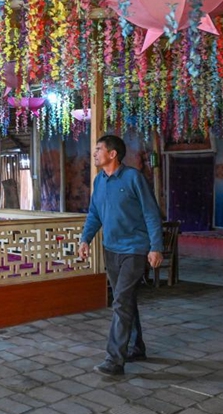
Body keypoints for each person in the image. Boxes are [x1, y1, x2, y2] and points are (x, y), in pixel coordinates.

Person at [78, 134, 163, 376]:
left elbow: (151, 213)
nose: (94, 153)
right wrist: (86, 239)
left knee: (120, 302)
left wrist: (156, 247)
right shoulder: (99, 181)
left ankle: (114, 360)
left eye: (98, 149)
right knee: (125, 301)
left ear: (112, 154)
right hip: (111, 249)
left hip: (134, 250)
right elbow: (94, 213)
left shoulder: (133, 178)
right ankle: (136, 346)